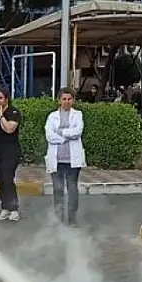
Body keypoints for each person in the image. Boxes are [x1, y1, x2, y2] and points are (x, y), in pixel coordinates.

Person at [45, 88, 85, 226]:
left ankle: (72, 219)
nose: (66, 102)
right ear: (59, 100)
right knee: (58, 189)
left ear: (73, 100)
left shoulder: (78, 114)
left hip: (72, 159)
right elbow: (49, 136)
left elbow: (77, 132)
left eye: (69, 99)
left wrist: (60, 131)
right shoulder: (52, 116)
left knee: (72, 188)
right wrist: (64, 138)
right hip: (56, 159)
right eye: (64, 99)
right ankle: (59, 219)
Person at [0, 88, 22, 221]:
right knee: (0, 181)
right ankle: (5, 207)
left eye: (0, 98)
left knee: (8, 179)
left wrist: (1, 115)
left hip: (10, 152)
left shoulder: (13, 112)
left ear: (6, 99)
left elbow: (9, 129)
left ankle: (14, 208)